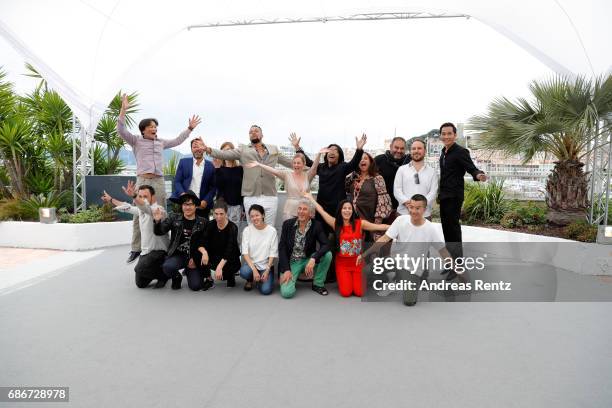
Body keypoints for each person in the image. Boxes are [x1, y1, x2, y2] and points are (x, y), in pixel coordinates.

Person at [117, 93, 201, 264]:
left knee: (161, 213)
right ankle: (136, 248)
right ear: (143, 129)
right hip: (143, 180)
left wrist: (190, 129)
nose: (154, 128)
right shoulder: (136, 141)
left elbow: (178, 140)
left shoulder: (161, 142)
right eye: (151, 126)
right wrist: (123, 110)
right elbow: (121, 130)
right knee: (140, 212)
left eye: (155, 126)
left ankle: (165, 247)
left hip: (158, 181)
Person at [291, 133, 367, 283]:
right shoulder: (321, 168)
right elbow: (308, 161)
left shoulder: (342, 168)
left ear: (339, 156)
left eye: (336, 150)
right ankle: (315, 270)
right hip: (321, 209)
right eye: (329, 150)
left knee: (336, 241)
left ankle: (333, 273)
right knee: (320, 239)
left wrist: (359, 149)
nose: (332, 152)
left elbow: (353, 164)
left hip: (337, 211)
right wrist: (297, 148)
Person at [358, 194, 453, 306]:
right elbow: (384, 239)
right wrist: (364, 254)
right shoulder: (400, 220)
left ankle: (399, 282)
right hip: (395, 260)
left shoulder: (431, 229)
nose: (413, 211)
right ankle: (394, 280)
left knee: (409, 301)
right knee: (368, 270)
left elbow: (442, 251)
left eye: (417, 208)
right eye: (411, 207)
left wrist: (457, 270)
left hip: (413, 268)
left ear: (425, 209)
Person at [201, 125, 294, 226]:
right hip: (251, 197)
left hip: (270, 196)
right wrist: (207, 149)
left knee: (269, 228)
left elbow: (291, 163)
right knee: (252, 228)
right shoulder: (243, 150)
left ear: (262, 134)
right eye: (251, 132)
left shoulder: (274, 149)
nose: (253, 132)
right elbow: (224, 154)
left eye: (256, 131)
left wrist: (309, 165)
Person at [303, 193, 389, 297]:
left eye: (349, 208)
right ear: (340, 210)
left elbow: (379, 227)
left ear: (352, 211)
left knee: (360, 292)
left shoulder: (360, 223)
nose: (347, 210)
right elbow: (321, 211)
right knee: (346, 293)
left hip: (358, 264)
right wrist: (310, 198)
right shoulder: (335, 224)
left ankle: (363, 276)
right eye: (344, 208)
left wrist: (399, 224)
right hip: (343, 265)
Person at [101, 184, 170, 289]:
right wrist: (111, 200)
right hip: (146, 252)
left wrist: (134, 196)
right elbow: (127, 207)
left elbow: (145, 206)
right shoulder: (140, 210)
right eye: (140, 196)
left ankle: (164, 275)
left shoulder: (158, 210)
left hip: (159, 252)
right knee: (140, 284)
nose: (142, 199)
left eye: (145, 196)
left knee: (140, 269)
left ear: (153, 197)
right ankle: (159, 271)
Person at [438, 122, 487, 260]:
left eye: (449, 133)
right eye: (443, 133)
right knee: (446, 231)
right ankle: (450, 262)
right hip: (444, 197)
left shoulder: (460, 151)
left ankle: (457, 264)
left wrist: (478, 174)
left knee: (453, 231)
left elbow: (471, 167)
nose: (446, 136)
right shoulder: (443, 153)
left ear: (455, 135)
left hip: (454, 197)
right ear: (440, 135)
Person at [245, 148, 325, 220]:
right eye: (294, 163)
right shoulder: (287, 175)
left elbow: (314, 167)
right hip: (290, 210)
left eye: (298, 163)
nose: (296, 165)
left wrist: (319, 154)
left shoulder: (308, 175)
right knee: (289, 233)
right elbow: (273, 170)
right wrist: (259, 164)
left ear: (304, 164)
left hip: (306, 210)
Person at [152, 190, 208, 291]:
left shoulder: (203, 222)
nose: (187, 207)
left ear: (196, 206)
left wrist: (196, 259)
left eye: (190, 204)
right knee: (167, 267)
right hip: (177, 255)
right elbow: (160, 232)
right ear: (182, 206)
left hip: (193, 257)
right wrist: (157, 221)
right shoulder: (174, 218)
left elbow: (205, 243)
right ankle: (177, 277)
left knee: (196, 286)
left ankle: (189, 271)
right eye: (185, 204)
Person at [278, 199, 332, 298]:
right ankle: (292, 275)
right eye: (299, 209)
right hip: (292, 262)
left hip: (307, 259)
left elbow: (326, 244)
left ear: (311, 213)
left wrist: (314, 258)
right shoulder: (287, 224)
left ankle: (318, 284)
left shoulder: (316, 225)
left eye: (305, 209)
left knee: (328, 255)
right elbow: (282, 248)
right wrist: (286, 269)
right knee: (287, 293)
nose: (301, 212)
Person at [191, 201, 240, 288]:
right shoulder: (210, 224)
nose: (219, 217)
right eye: (216, 214)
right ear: (213, 213)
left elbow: (230, 249)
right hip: (215, 255)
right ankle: (209, 279)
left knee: (224, 275)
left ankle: (230, 276)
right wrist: (204, 253)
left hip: (229, 259)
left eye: (221, 214)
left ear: (226, 213)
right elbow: (201, 241)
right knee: (198, 252)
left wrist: (219, 267)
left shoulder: (232, 227)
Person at [345, 152, 393, 240]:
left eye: (365, 158)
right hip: (354, 221)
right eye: (360, 159)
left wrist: (377, 226)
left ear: (371, 162)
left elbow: (383, 203)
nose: (362, 160)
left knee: (369, 250)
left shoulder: (377, 178)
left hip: (371, 221)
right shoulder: (352, 178)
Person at [171, 138, 216, 219]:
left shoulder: (211, 166)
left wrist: (205, 201)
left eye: (200, 146)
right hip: (186, 205)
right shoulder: (183, 162)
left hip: (202, 205)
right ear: (191, 149)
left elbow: (213, 187)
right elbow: (177, 182)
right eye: (195, 147)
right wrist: (183, 195)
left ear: (204, 149)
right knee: (184, 229)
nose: (197, 149)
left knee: (203, 230)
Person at [394, 139, 438, 219]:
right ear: (410, 151)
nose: (416, 151)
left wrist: (420, 205)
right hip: (403, 214)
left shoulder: (432, 172)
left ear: (425, 151)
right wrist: (408, 203)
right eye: (414, 149)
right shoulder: (401, 169)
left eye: (419, 148)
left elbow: (433, 192)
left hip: (424, 215)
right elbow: (397, 190)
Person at [239, 204, 278, 295]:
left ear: (263, 215)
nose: (254, 218)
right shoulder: (247, 230)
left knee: (266, 291)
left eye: (257, 215)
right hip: (252, 265)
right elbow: (245, 252)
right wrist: (254, 270)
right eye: (252, 216)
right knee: (244, 272)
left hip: (266, 266)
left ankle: (260, 280)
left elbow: (273, 252)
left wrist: (267, 269)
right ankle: (251, 279)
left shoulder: (272, 231)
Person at [214, 141, 244, 231]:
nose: (226, 153)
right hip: (222, 206)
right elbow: (217, 186)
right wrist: (217, 169)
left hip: (237, 206)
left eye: (229, 150)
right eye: (223, 151)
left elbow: (243, 188)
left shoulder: (240, 169)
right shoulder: (219, 168)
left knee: (235, 231)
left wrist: (243, 208)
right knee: (221, 231)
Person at [374, 136, 410, 210]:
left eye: (402, 148)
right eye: (396, 147)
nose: (399, 151)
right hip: (381, 207)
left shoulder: (409, 162)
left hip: (405, 207)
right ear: (390, 147)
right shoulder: (379, 160)